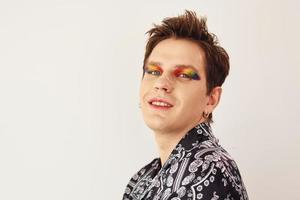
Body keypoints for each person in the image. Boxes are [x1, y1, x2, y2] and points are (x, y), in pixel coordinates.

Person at [122, 10, 248, 200]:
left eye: (183, 75)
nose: (161, 84)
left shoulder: (211, 170)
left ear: (211, 99)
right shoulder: (144, 177)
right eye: (154, 71)